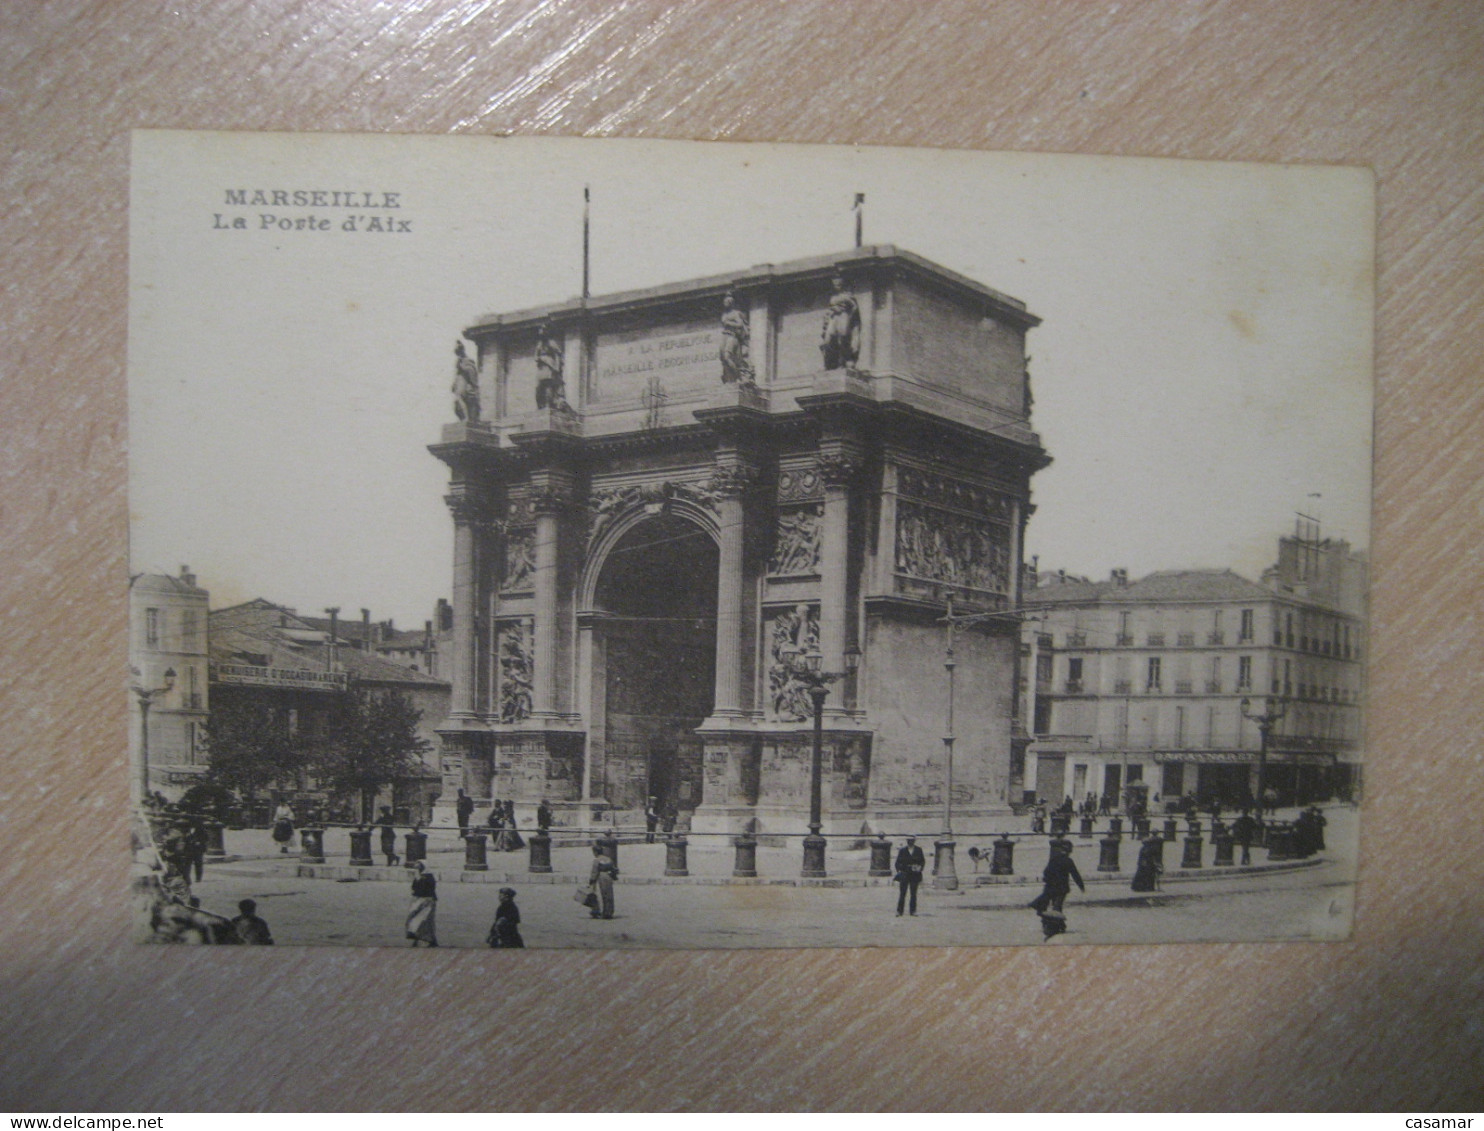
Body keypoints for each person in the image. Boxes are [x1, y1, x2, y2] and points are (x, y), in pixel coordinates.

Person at [1029, 840, 1085, 940]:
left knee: (1055, 907)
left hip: (1051, 887)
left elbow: (1046, 872)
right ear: (1069, 851)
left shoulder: (1054, 859)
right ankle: (1057, 926)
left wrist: (1048, 881)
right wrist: (1081, 886)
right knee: (1057, 907)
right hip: (1062, 888)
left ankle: (1054, 925)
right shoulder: (1068, 861)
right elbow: (1075, 874)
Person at [819, 274, 861, 370]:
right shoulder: (833, 297)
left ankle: (843, 362)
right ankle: (829, 363)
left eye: (838, 283)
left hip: (844, 316)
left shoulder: (848, 295)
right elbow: (830, 308)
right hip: (833, 317)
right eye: (835, 283)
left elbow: (854, 307)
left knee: (843, 338)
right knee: (828, 339)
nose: (836, 285)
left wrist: (849, 317)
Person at [718, 292, 755, 385]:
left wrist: (729, 323)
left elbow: (740, 324)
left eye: (727, 301)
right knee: (722, 358)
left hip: (732, 336)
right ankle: (730, 379)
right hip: (725, 336)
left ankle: (738, 376)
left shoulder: (735, 313)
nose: (725, 303)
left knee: (727, 357)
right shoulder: (724, 314)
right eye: (724, 301)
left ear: (731, 302)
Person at [406, 862, 438, 947]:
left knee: (424, 921)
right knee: (419, 920)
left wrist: (419, 879)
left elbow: (422, 889)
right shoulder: (420, 876)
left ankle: (429, 940)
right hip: (419, 901)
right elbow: (414, 888)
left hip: (427, 901)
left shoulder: (428, 877)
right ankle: (421, 939)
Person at [894, 835, 926, 917]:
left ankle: (913, 911)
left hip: (915, 875)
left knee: (913, 893)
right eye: (909, 840)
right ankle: (899, 911)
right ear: (907, 841)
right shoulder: (902, 850)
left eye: (912, 840)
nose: (910, 841)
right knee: (902, 893)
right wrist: (901, 870)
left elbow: (922, 861)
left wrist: (919, 867)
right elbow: (897, 863)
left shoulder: (918, 850)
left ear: (914, 841)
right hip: (905, 874)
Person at [587, 843, 618, 920]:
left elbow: (594, 872)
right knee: (609, 894)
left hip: (602, 877)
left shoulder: (597, 860)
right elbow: (614, 869)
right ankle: (610, 911)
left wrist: (591, 881)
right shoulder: (608, 858)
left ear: (596, 852)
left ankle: (604, 913)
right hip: (609, 876)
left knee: (604, 894)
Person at [452, 341, 481, 422]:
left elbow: (471, 370)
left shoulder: (468, 360)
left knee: (461, 398)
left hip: (465, 383)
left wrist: (462, 367)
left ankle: (466, 418)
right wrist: (454, 383)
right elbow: (457, 374)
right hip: (460, 383)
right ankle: (464, 418)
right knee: (457, 401)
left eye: (458, 351)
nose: (458, 354)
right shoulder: (459, 361)